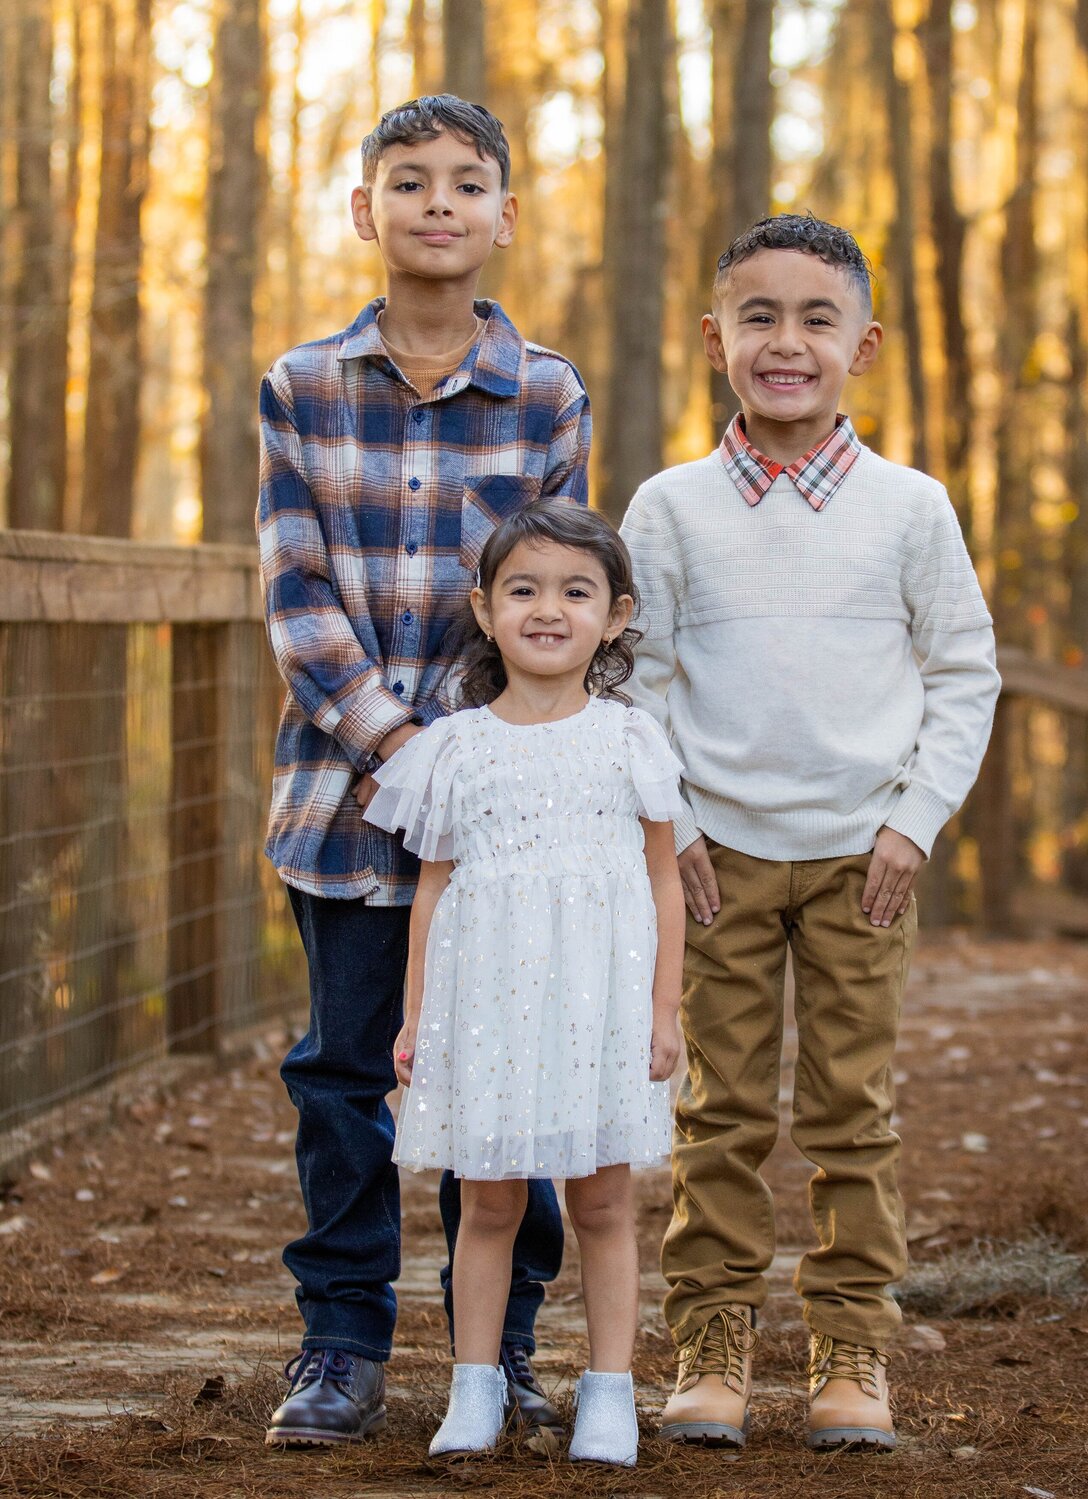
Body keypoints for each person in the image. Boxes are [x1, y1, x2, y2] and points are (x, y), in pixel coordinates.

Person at [619, 213, 1001, 1453]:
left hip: (863, 858)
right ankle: (712, 1339)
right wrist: (666, 826)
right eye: (760, 316)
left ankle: (850, 1347)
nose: (787, 341)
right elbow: (640, 676)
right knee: (720, 1107)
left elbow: (964, 671)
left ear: (864, 344)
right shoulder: (669, 508)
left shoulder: (908, 507)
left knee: (852, 1107)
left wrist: (914, 824)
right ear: (716, 336)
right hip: (714, 856)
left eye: (817, 317)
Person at [257, 94, 589, 1450]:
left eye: (467, 184)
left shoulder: (548, 393)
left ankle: (497, 1347)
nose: (438, 203)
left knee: (508, 1074)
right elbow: (296, 595)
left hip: (504, 810)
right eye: (410, 182)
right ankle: (339, 1341)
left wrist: (469, 757)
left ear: (506, 215)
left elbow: (547, 590)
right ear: (365, 211)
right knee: (342, 1074)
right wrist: (398, 749)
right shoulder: (302, 386)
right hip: (342, 803)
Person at [363, 501, 685, 1466]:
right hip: (489, 1009)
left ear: (616, 614)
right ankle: (473, 1390)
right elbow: (434, 889)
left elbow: (664, 879)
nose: (549, 609)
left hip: (600, 1006)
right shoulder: (454, 747)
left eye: (576, 591)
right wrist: (419, 1014)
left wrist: (664, 1009)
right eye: (525, 589)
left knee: (601, 1204)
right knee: (489, 1204)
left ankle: (610, 1393)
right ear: (486, 607)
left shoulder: (631, 740)